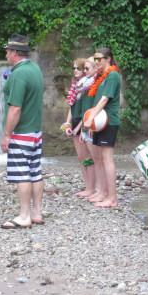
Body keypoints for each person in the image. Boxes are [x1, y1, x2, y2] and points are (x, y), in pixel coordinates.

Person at [0, 34, 45, 228]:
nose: (6, 55)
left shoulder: (19, 74)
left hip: (21, 133)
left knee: (22, 174)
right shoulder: (35, 69)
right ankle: (37, 213)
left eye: (7, 51)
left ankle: (24, 216)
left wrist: (7, 135)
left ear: (15, 52)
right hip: (36, 132)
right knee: (35, 171)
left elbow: (15, 108)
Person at [84, 48, 120, 208]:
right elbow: (97, 100)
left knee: (107, 159)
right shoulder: (101, 76)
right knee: (99, 158)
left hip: (109, 121)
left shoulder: (112, 75)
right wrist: (93, 123)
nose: (97, 62)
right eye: (95, 59)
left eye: (99, 59)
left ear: (108, 59)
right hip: (100, 122)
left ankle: (112, 198)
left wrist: (91, 118)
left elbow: (105, 99)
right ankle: (103, 192)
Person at [63, 57, 95, 197]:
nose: (75, 71)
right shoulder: (76, 86)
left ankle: (91, 188)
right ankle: (87, 186)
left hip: (84, 122)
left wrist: (79, 128)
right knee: (81, 157)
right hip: (75, 121)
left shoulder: (87, 86)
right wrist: (67, 123)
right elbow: (72, 107)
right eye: (74, 68)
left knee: (88, 157)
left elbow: (87, 109)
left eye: (79, 68)